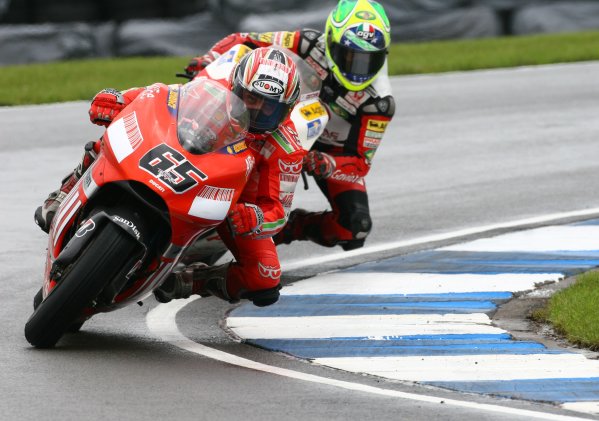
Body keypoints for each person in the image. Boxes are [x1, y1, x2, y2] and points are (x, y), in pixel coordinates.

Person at [35, 46, 304, 307]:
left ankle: (190, 281)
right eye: (250, 99)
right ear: (235, 87)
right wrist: (120, 100)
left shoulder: (287, 146)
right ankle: (65, 191)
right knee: (114, 135)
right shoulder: (216, 88)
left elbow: (278, 212)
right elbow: (162, 96)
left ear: (287, 110)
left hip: (232, 202)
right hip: (183, 156)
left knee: (265, 277)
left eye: (269, 109)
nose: (255, 112)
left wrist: (255, 218)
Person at [181, 0, 395, 251]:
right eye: (349, 56)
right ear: (330, 41)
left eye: (369, 59)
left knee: (355, 226)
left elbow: (359, 163)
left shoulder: (379, 102)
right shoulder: (308, 43)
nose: (358, 68)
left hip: (329, 149)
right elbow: (245, 39)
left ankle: (288, 227)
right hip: (280, 120)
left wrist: (328, 163)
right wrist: (211, 58)